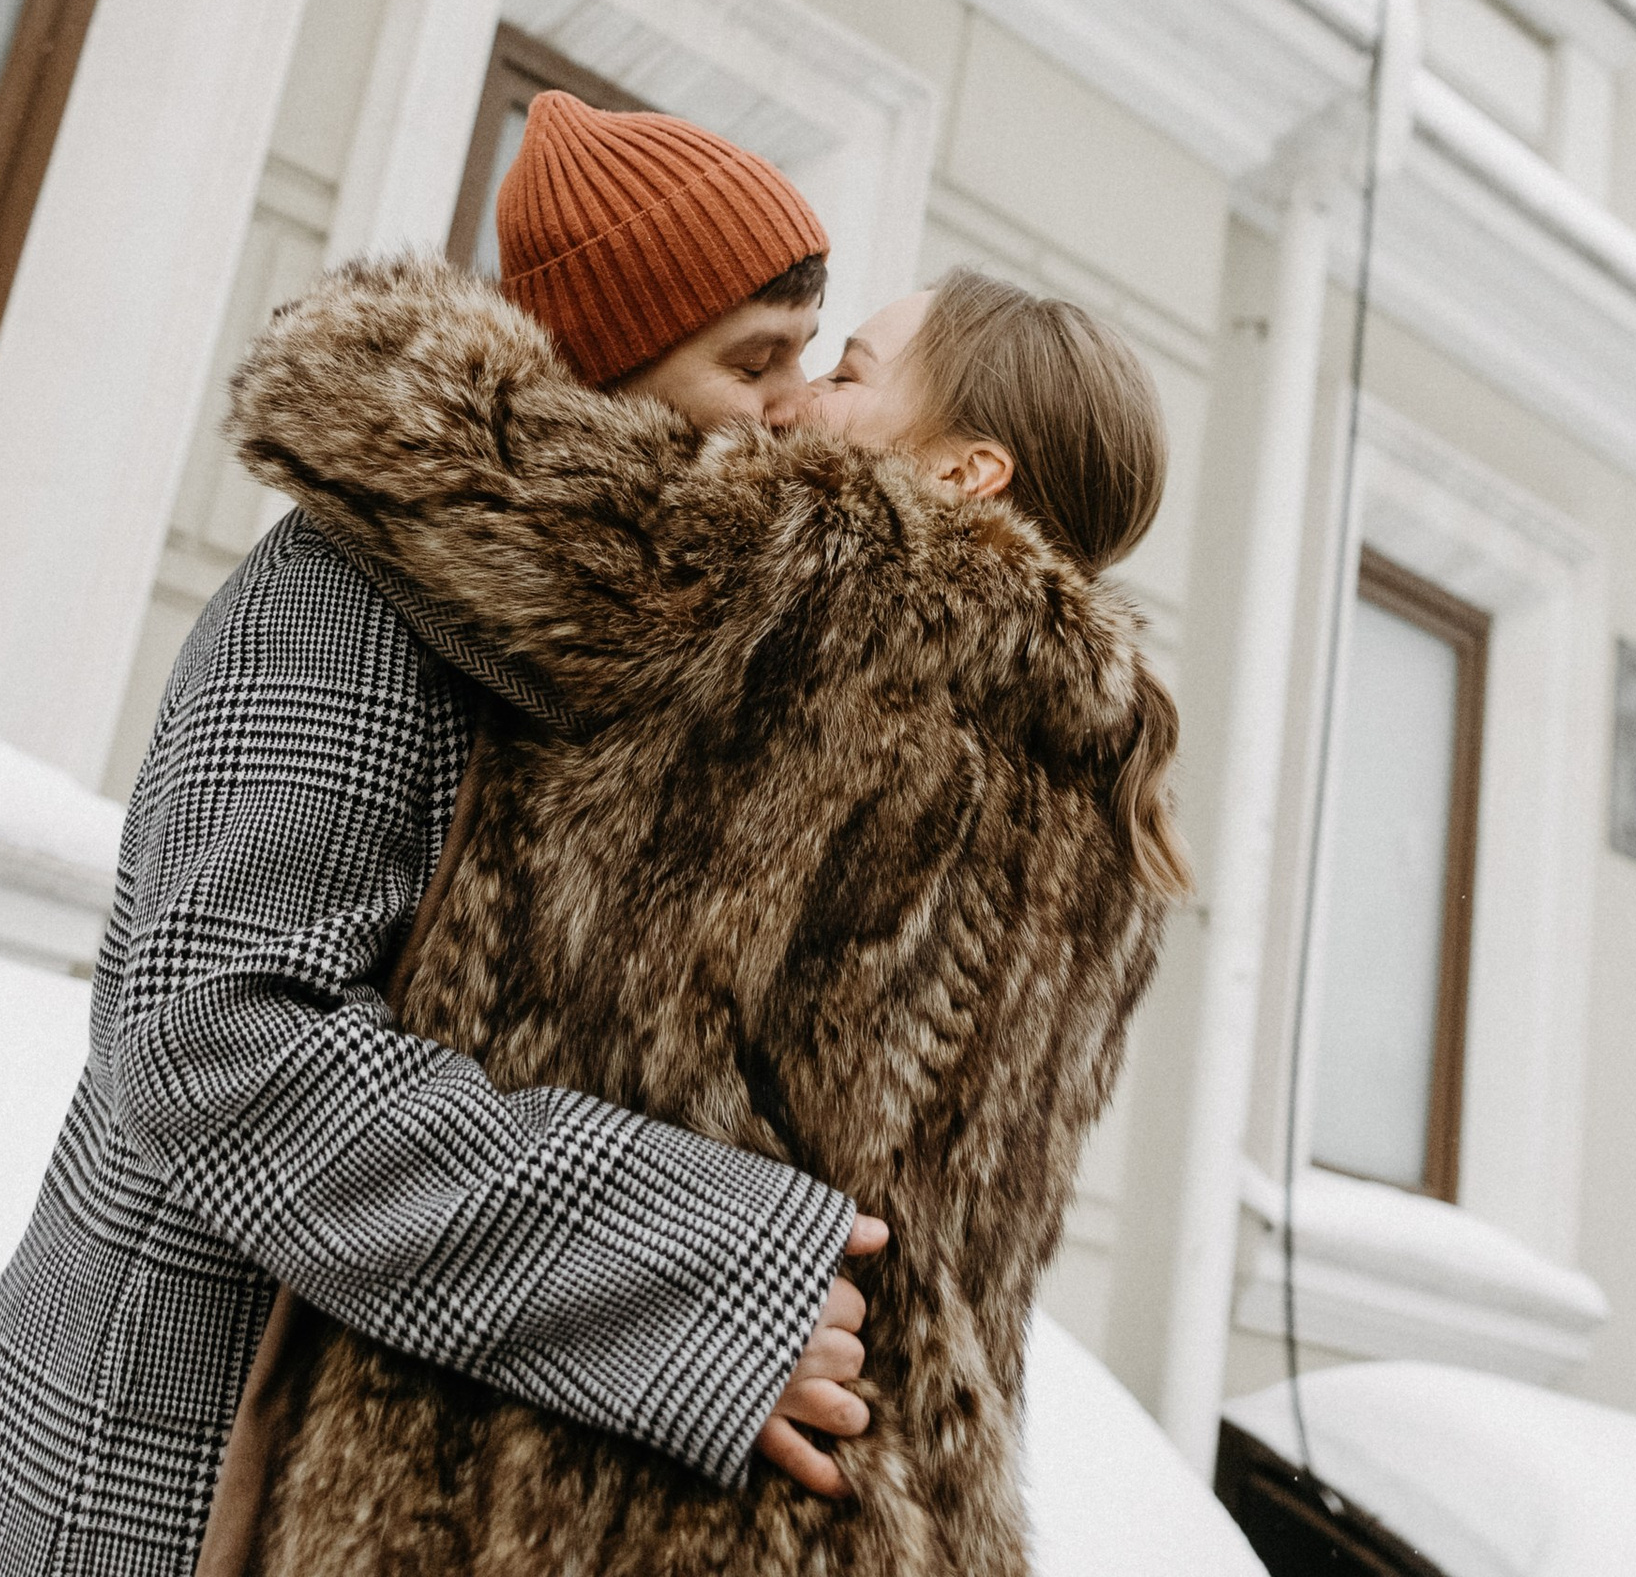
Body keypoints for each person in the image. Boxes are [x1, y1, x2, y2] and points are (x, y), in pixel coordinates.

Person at [0, 97, 885, 1577]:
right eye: (752, 362)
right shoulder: (353, 595)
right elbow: (212, 1039)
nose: (792, 407)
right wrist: (694, 1277)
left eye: (808, 359)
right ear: (608, 366)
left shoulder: (595, 618)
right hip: (161, 1469)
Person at [216, 218, 1189, 1577]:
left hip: (622, 1481)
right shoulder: (1106, 785)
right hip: (886, 1504)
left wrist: (362, 339)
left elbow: (452, 453)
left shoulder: (816, 587)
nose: (796, 403)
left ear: (966, 474)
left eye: (844, 372)